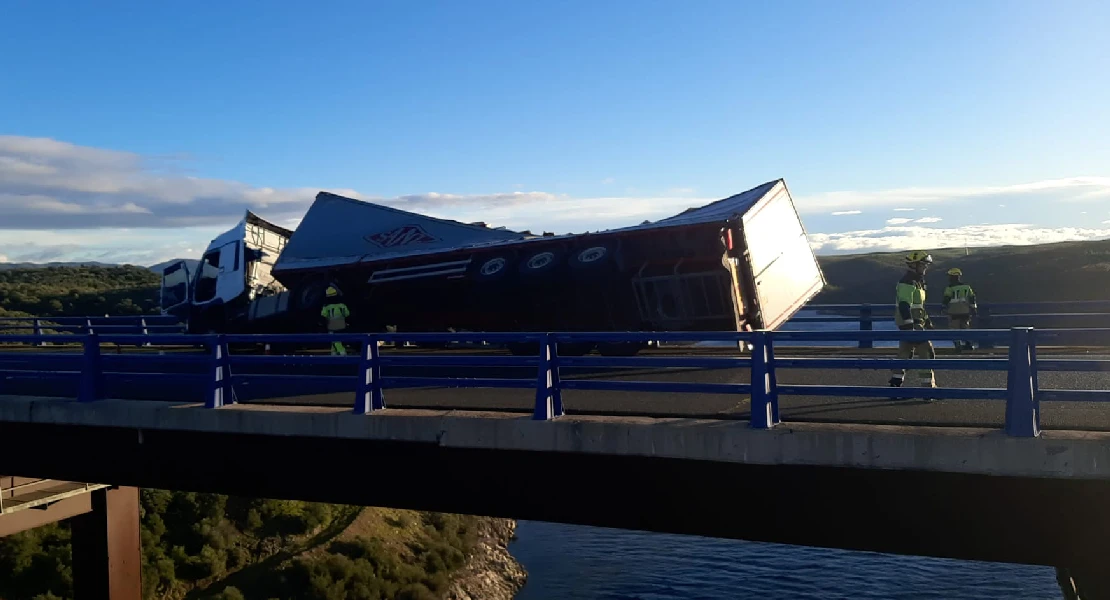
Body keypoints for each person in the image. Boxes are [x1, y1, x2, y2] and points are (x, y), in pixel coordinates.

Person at [889, 251, 936, 390]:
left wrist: (927, 321)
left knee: (904, 354)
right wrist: (910, 326)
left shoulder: (917, 282)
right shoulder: (908, 282)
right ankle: (928, 388)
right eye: (923, 265)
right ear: (914, 265)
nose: (925, 268)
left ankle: (895, 384)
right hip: (912, 325)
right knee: (926, 353)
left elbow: (918, 306)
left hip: (912, 324)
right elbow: (904, 304)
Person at [942, 267, 978, 352]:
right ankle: (969, 345)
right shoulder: (967, 287)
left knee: (954, 329)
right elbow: (972, 298)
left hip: (953, 312)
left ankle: (958, 346)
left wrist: (943, 307)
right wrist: (974, 308)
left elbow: (946, 299)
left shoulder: (949, 288)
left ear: (952, 277)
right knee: (965, 328)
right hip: (965, 311)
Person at [321, 285, 350, 356]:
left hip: (332, 326)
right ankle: (333, 353)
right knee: (335, 340)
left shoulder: (327, 307)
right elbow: (347, 314)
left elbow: (323, 315)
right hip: (342, 325)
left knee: (335, 340)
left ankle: (342, 353)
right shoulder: (342, 305)